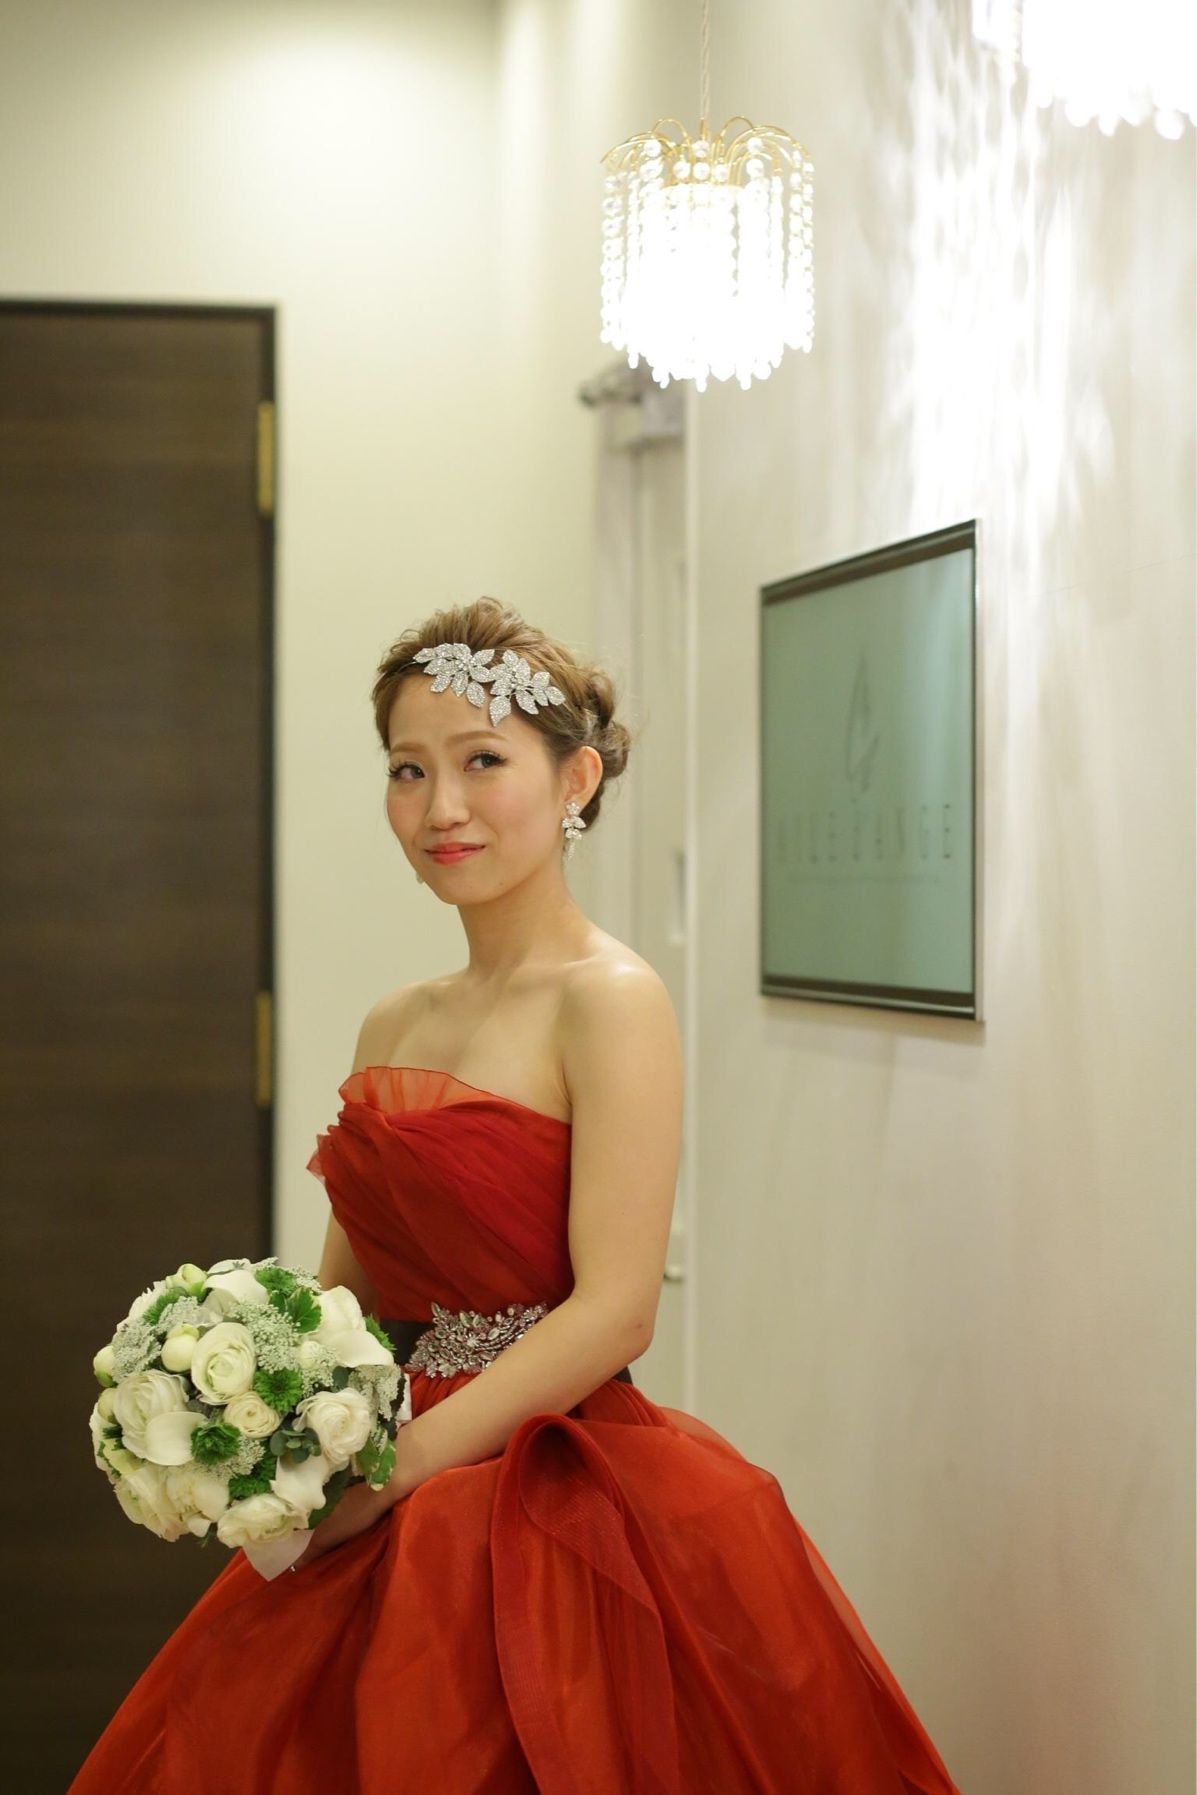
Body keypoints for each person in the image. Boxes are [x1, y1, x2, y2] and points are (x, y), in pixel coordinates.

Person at [69, 596, 966, 1794]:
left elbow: (616, 1310)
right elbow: (346, 1304)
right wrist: (253, 1420)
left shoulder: (611, 999)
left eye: (482, 762)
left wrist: (397, 1473)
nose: (441, 806)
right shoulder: (396, 1020)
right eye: (409, 769)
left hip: (550, 1486)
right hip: (379, 1467)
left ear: (576, 778)